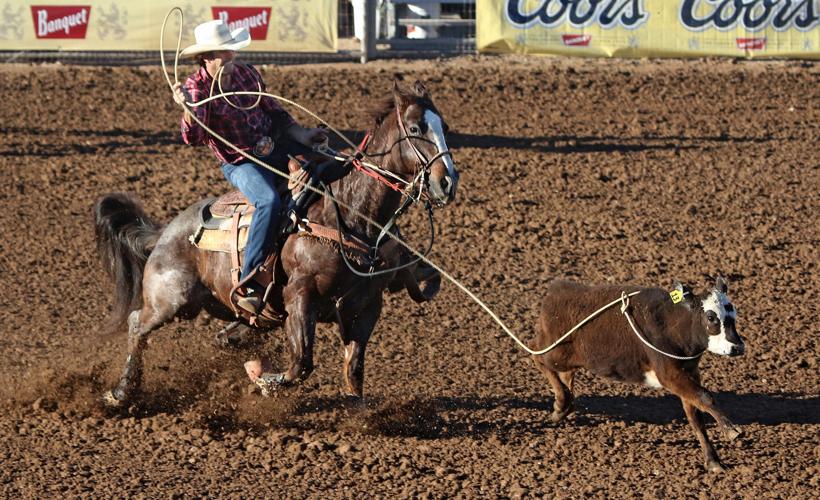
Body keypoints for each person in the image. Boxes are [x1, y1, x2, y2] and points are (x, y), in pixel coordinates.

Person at [172, 19, 327, 314]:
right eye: (224, 53)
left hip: (273, 144)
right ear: (207, 57)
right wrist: (189, 112)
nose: (231, 57)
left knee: (326, 164)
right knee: (267, 200)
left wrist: (303, 134)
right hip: (239, 161)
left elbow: (274, 111)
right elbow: (194, 137)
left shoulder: (247, 74)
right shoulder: (196, 88)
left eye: (231, 51)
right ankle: (250, 278)